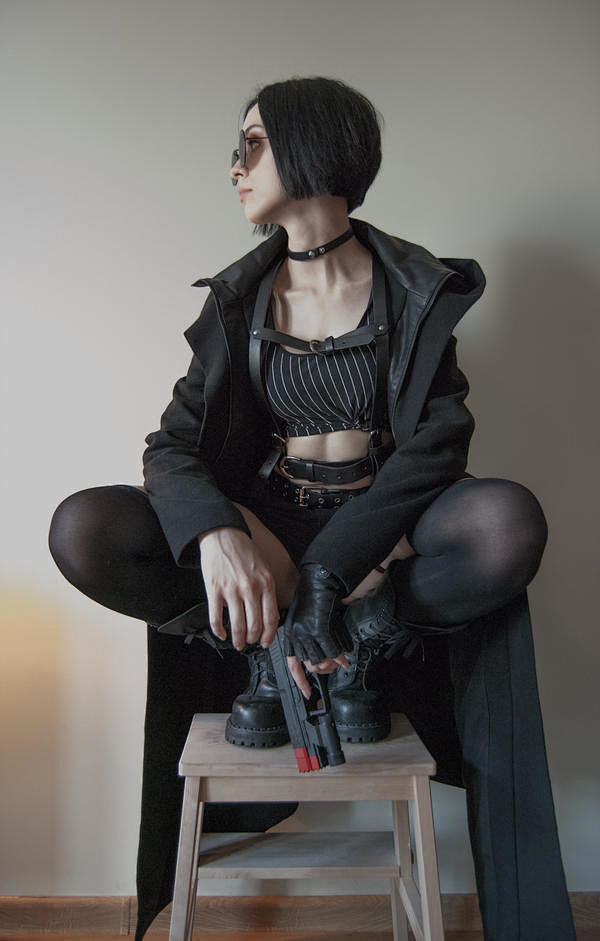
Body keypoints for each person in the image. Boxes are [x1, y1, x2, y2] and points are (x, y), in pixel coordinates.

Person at [49, 77, 575, 940]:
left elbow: (439, 442)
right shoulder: (237, 300)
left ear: (314, 146)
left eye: (253, 143)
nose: (236, 165)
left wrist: (339, 568)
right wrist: (219, 532)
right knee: (83, 527)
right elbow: (170, 448)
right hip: (269, 529)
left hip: (381, 537)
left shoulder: (414, 287)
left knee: (506, 523)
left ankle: (359, 631)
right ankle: (268, 642)